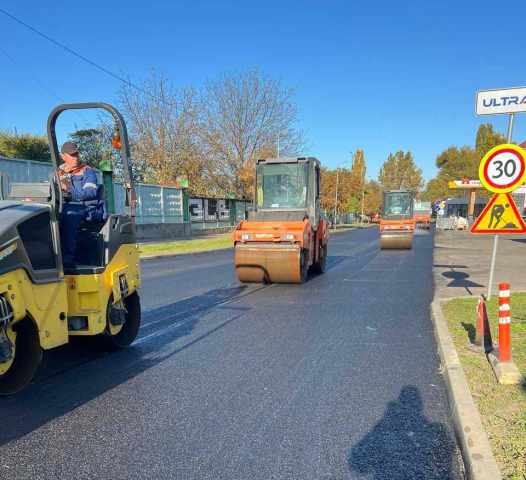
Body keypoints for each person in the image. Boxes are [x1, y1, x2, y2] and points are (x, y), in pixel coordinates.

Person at [58, 141, 99, 267]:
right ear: (63, 156)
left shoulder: (87, 171)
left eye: (77, 154)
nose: (76, 158)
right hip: (63, 205)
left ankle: (67, 258)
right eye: (72, 155)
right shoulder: (58, 172)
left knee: (69, 215)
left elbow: (90, 192)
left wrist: (69, 191)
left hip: (84, 207)